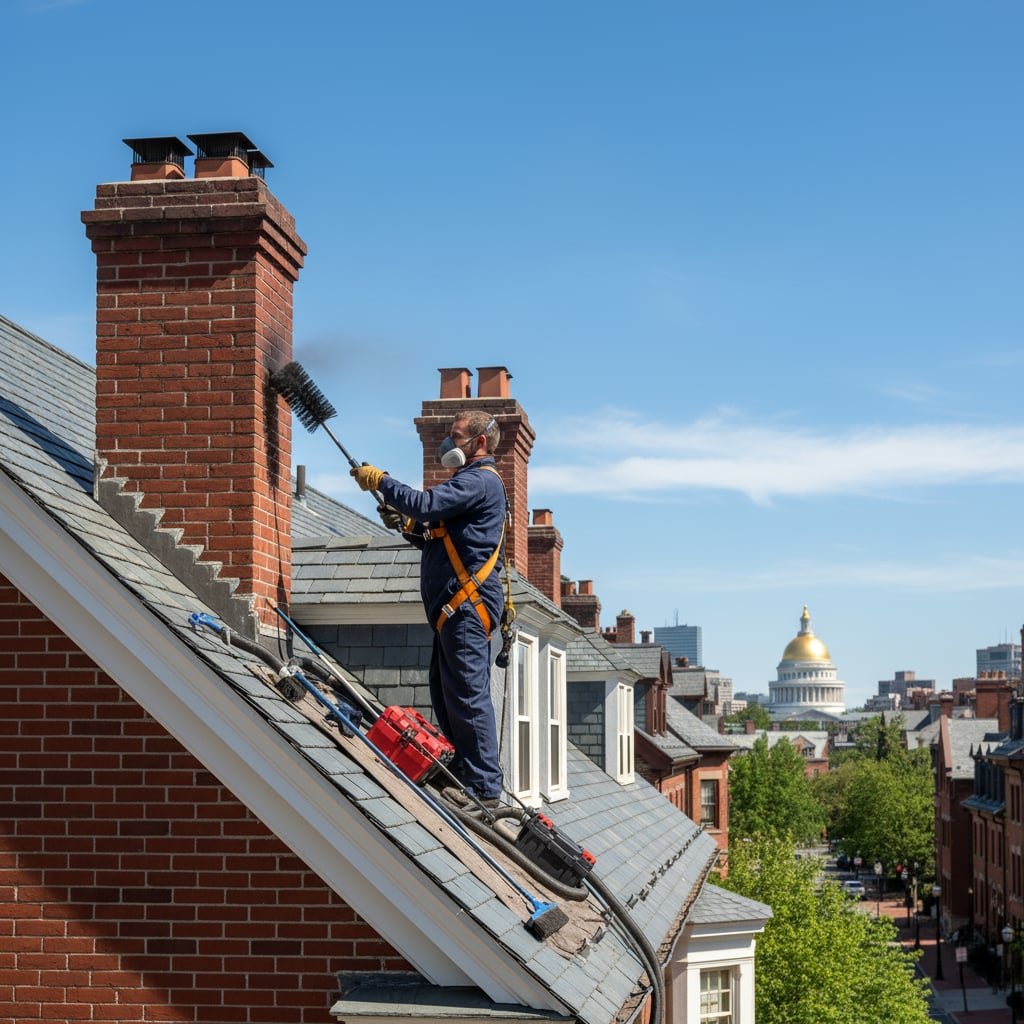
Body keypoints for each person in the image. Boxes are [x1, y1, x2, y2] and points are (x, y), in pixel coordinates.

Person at [350, 411, 507, 807]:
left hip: (467, 609)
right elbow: (437, 535)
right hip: (455, 610)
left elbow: (426, 504)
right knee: (445, 692)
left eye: (456, 437)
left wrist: (381, 480)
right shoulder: (470, 484)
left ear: (480, 442)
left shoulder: (481, 480)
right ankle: (466, 773)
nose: (448, 445)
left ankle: (485, 788)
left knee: (468, 695)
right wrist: (407, 525)